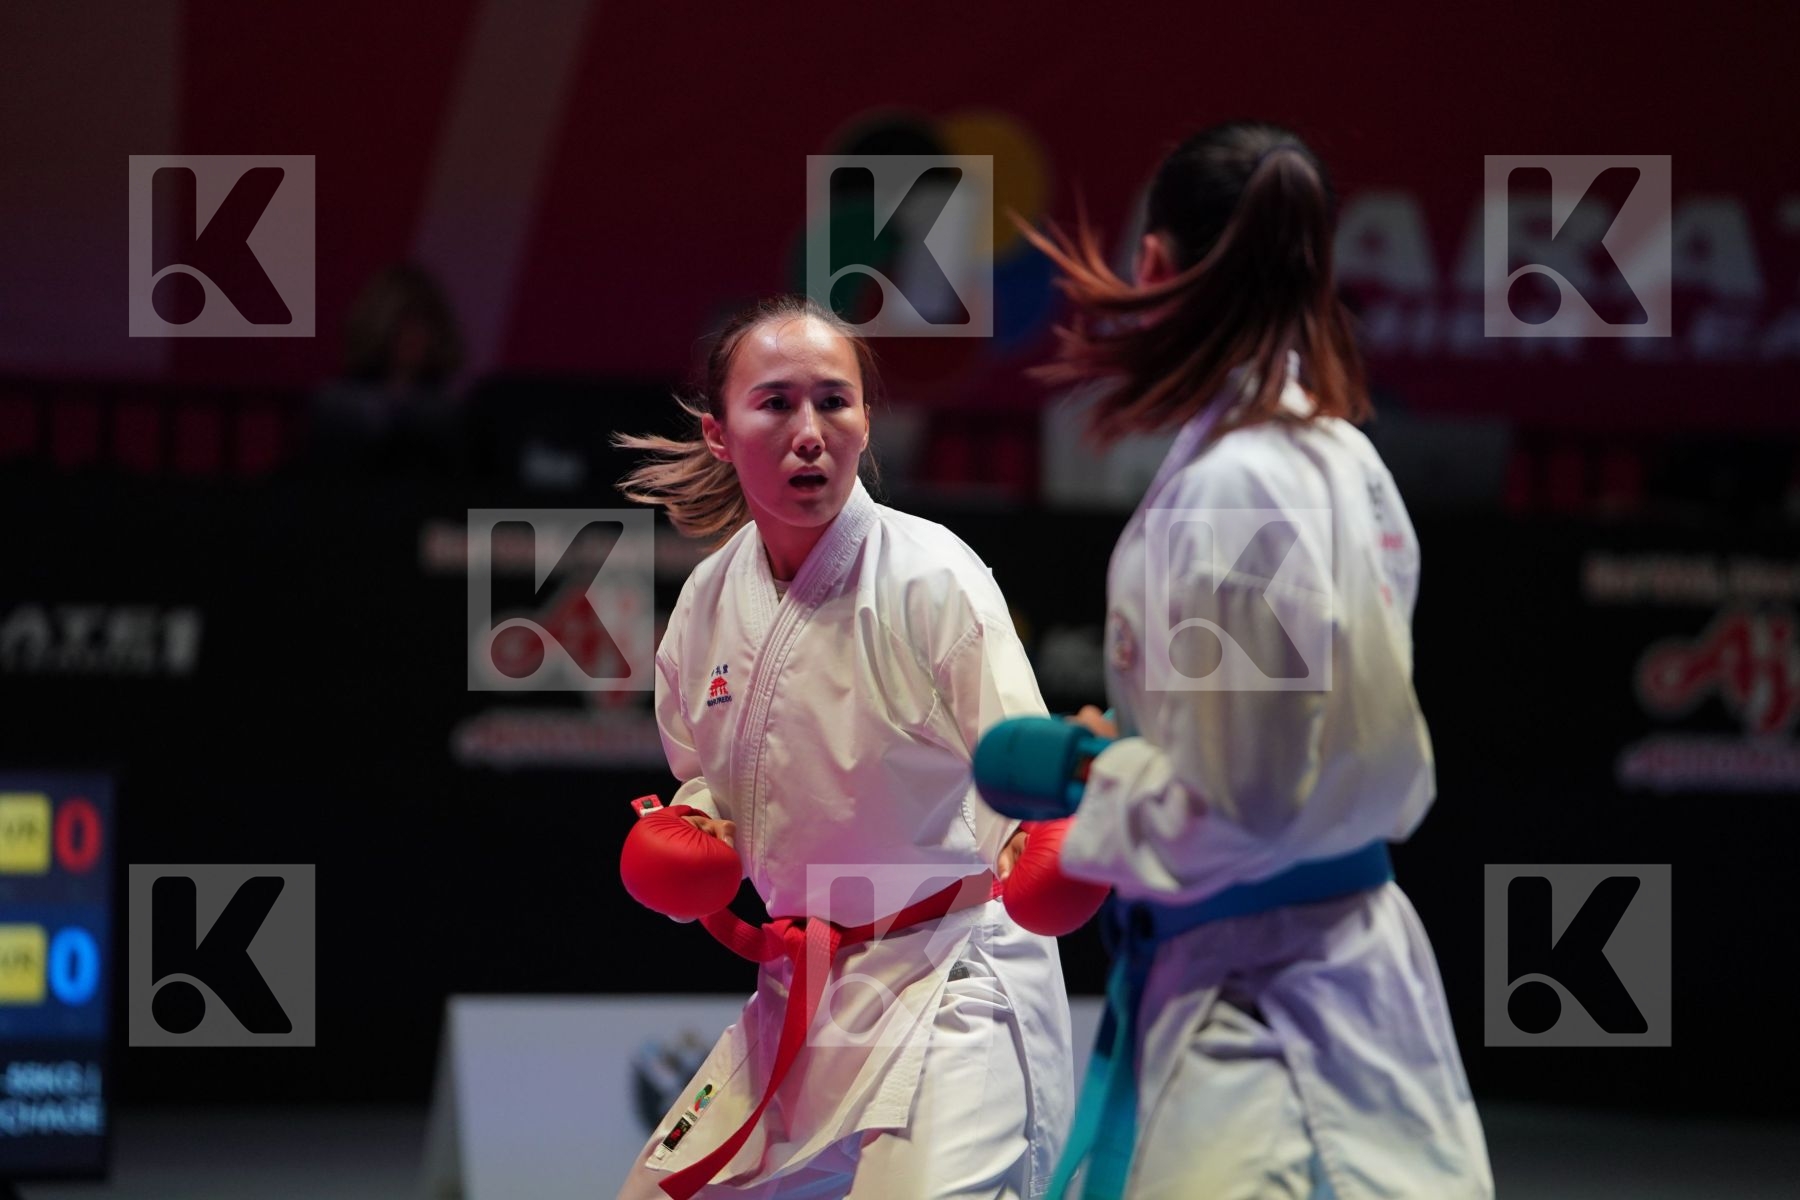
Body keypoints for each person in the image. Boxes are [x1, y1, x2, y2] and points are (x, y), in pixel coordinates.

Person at [1020, 123, 1495, 1197]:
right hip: (1338, 975)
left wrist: (1086, 777)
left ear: (1152, 265)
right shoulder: (1343, 458)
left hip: (1266, 1010)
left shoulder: (1237, 491)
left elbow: (1249, 802)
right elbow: (1280, 751)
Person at [612, 295, 1074, 1200]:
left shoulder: (932, 575)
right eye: (775, 404)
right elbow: (720, 779)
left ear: (868, 421)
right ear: (718, 434)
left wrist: (1050, 845)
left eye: (835, 401)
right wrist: (695, 829)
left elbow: (1025, 766)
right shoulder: (707, 603)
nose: (811, 431)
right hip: (809, 987)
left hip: (951, 980)